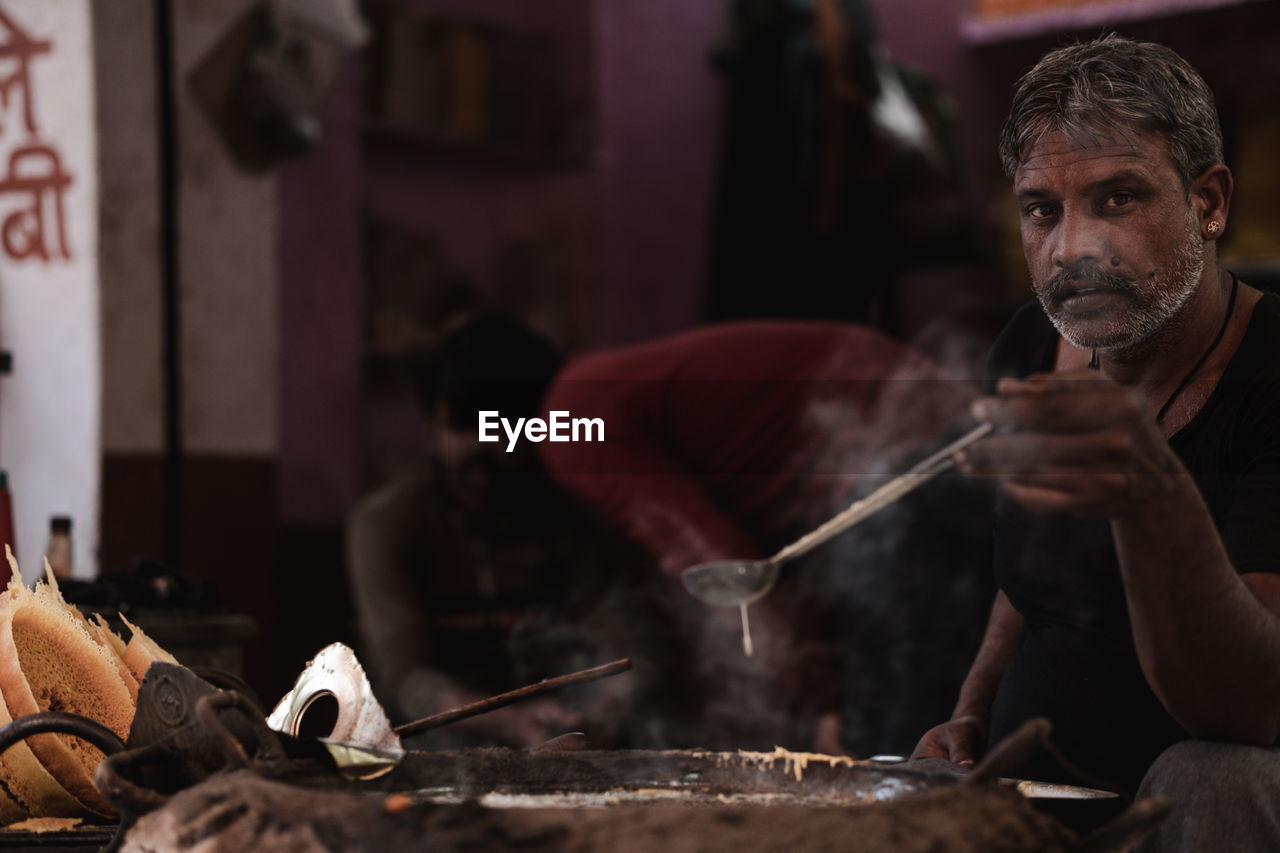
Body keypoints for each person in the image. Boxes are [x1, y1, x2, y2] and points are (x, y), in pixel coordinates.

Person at [909, 35, 1280, 850]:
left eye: (1118, 199)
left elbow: (1252, 705)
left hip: (1203, 806)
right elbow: (1030, 576)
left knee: (1213, 773)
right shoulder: (1028, 347)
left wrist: (1148, 490)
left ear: (1209, 201)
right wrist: (970, 714)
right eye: (1043, 208)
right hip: (1045, 794)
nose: (1072, 250)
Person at [539, 320, 992, 756]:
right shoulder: (585, 390)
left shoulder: (569, 421)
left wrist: (821, 702)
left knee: (883, 740)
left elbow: (717, 567)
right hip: (920, 439)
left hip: (916, 459)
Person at [346, 312, 709, 750]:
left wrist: (606, 708)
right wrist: (507, 721)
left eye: (501, 428)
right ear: (431, 424)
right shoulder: (388, 523)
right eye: (462, 426)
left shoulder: (571, 516)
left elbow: (631, 638)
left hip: (567, 737)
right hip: (436, 748)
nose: (482, 447)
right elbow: (404, 674)